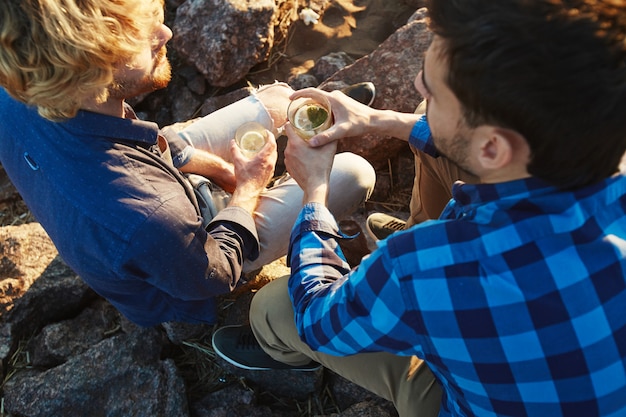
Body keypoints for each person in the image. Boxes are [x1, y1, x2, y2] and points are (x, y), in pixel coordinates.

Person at [212, 0, 626, 416]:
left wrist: (314, 191)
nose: (418, 83)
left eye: (432, 86)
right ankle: (418, 240)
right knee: (425, 125)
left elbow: (319, 322)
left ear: (493, 147)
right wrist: (381, 120)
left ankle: (284, 354)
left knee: (277, 308)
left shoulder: (420, 267)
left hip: (466, 384)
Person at [0, 0, 375, 327]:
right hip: (187, 268)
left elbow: (148, 146)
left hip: (151, 207)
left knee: (279, 100)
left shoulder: (26, 82)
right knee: (353, 173)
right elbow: (214, 273)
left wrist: (221, 170)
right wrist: (248, 188)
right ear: (89, 72)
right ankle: (310, 149)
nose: (165, 33)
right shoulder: (149, 216)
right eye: (140, 39)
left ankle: (313, 116)